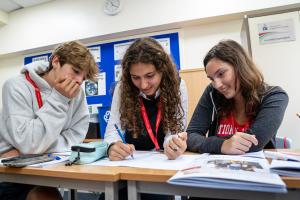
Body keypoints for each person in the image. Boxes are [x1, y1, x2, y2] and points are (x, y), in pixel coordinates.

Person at [0, 41, 98, 200]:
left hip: (50, 167)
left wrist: (33, 151)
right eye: (76, 71)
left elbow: (76, 135)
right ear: (56, 61)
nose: (79, 81)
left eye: (84, 77)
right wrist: (60, 99)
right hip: (14, 174)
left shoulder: (77, 93)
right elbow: (29, 142)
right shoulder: (15, 86)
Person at [103, 37, 188, 200]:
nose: (143, 85)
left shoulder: (178, 86)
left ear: (162, 69)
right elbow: (112, 131)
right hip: (130, 164)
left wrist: (173, 144)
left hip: (161, 166)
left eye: (150, 75)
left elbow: (175, 131)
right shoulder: (123, 88)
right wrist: (112, 146)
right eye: (136, 77)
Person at [187, 39, 288, 155]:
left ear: (240, 66)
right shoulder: (212, 92)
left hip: (256, 169)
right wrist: (222, 145)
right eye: (211, 79)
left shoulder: (275, 96)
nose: (217, 85)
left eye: (221, 74)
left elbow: (254, 142)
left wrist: (208, 143)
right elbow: (190, 136)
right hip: (216, 168)